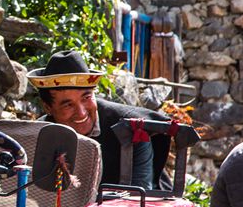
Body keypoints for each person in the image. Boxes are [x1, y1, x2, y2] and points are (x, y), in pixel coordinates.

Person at [27, 50, 166, 190]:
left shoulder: (132, 129)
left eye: (86, 98)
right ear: (47, 107)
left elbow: (140, 194)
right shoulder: (38, 138)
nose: (81, 113)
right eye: (68, 105)